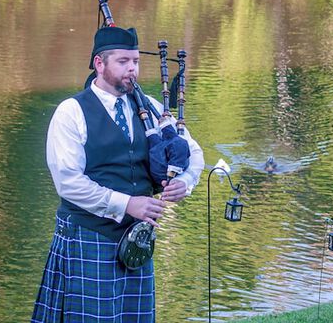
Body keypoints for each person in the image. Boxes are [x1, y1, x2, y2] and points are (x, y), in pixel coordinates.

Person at [31, 26, 204, 323]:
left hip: (136, 242)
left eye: (135, 61)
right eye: (123, 62)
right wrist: (127, 203)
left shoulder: (150, 107)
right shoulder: (71, 112)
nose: (132, 70)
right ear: (100, 63)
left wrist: (184, 182)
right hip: (88, 237)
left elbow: (193, 151)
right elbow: (68, 183)